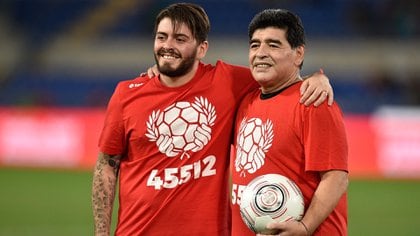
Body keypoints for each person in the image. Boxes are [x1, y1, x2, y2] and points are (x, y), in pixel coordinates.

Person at [92, 3, 333, 236]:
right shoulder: (127, 94)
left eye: (180, 39)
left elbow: (279, 73)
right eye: (161, 37)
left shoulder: (227, 81)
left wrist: (316, 77)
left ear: (202, 48)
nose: (168, 45)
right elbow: (106, 167)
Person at [230, 9, 348, 236]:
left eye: (273, 45)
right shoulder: (246, 100)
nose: (261, 53)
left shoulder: (313, 102)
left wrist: (305, 227)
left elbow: (336, 177)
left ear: (298, 54)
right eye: (255, 45)